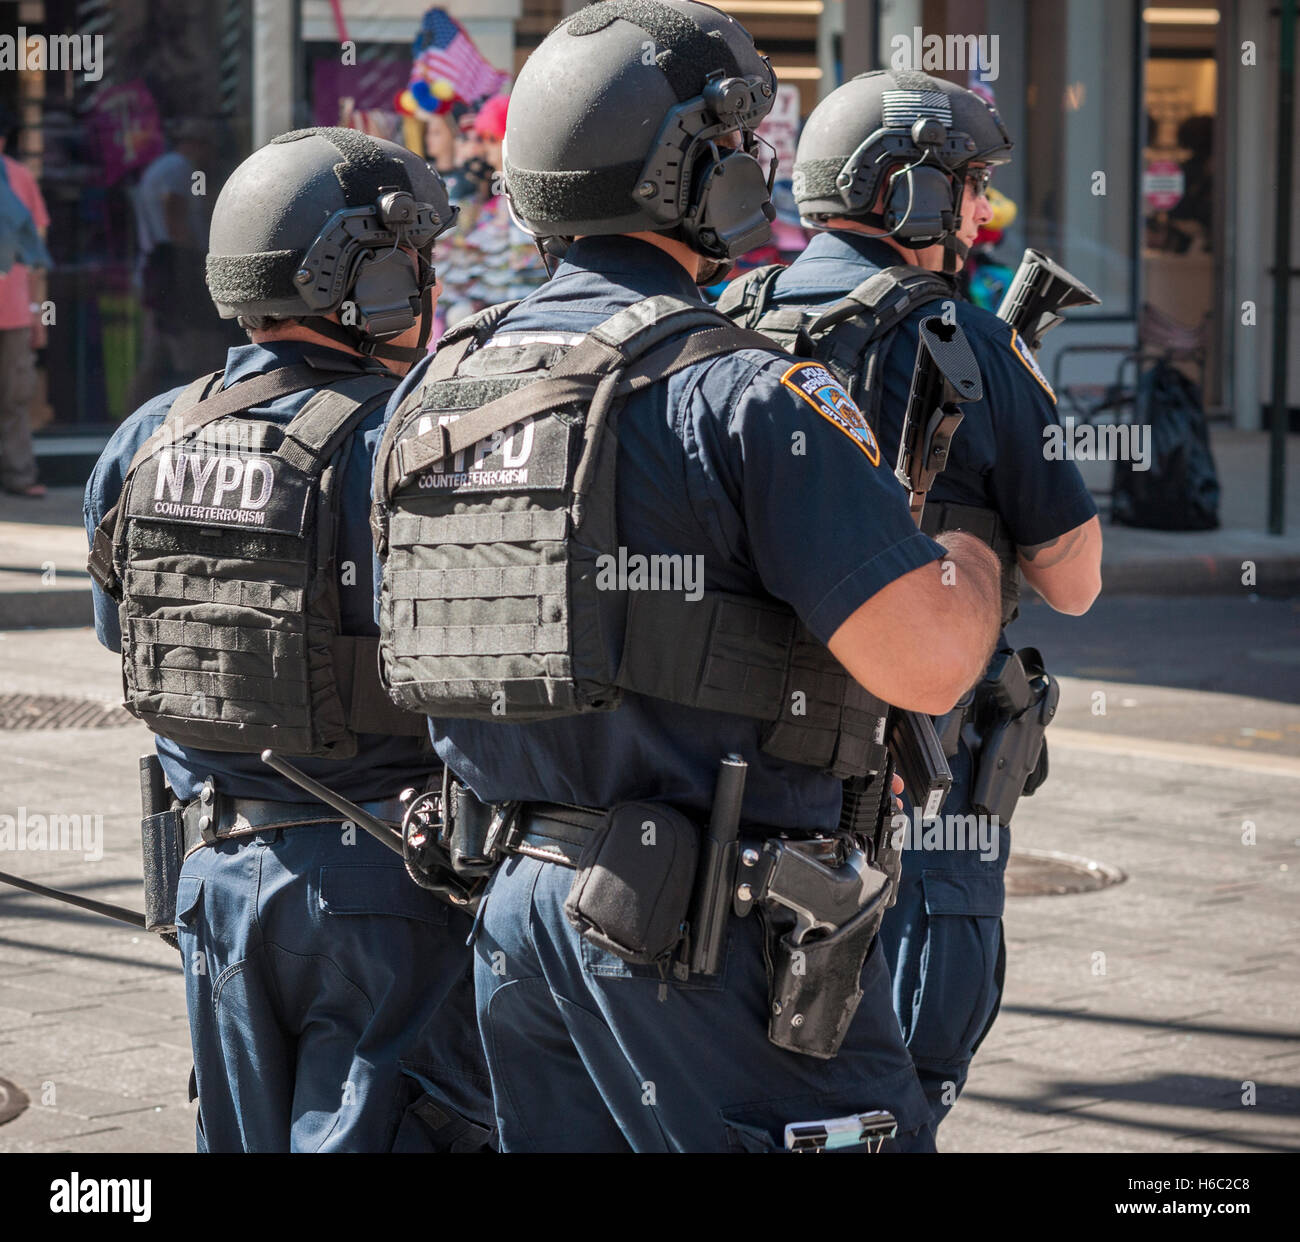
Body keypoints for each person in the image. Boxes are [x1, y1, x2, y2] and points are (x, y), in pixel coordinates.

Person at [373, 2, 1003, 1153]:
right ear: (693, 175)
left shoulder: (438, 391)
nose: (757, 168)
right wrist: (969, 561)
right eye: (737, 146)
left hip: (520, 916)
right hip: (716, 942)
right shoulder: (744, 393)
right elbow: (925, 664)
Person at [84, 127, 493, 1153]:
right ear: (377, 274)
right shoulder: (414, 441)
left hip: (213, 877)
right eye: (420, 258)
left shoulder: (144, 437)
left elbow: (127, 641)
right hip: (388, 890)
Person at [722, 69, 1103, 1148]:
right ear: (911, 196)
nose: (980, 211)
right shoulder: (966, 340)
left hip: (755, 775)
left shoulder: (732, 318)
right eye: (968, 184)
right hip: (916, 768)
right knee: (908, 1065)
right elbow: (1075, 582)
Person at [0, 106, 51, 498]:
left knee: (15, 395)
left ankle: (18, 475)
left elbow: (36, 254)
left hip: (13, 311)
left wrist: (37, 311)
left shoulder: (18, 179)